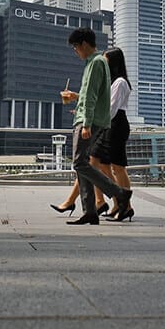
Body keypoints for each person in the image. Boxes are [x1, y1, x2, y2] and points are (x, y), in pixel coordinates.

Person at [61, 28, 132, 225]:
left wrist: (86, 123)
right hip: (89, 119)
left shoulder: (97, 63)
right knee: (83, 165)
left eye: (76, 47)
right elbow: (89, 96)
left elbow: (91, 96)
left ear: (84, 44)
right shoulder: (94, 63)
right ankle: (90, 211)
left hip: (91, 122)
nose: (75, 51)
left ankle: (119, 193)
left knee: (80, 163)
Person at [90, 48, 134, 222]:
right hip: (110, 123)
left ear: (113, 63)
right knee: (101, 164)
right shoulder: (112, 81)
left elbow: (112, 108)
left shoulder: (120, 82)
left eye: (105, 61)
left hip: (115, 124)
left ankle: (125, 206)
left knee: (117, 167)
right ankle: (117, 203)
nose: (103, 64)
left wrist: (95, 119)